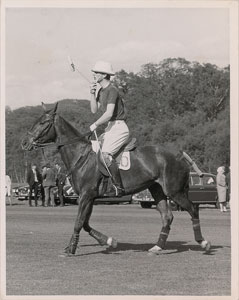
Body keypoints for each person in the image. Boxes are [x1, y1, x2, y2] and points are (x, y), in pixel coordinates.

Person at [89, 61, 129, 196]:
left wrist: (96, 124)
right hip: (110, 127)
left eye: (97, 72)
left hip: (119, 127)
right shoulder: (101, 91)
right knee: (94, 151)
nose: (94, 74)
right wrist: (92, 94)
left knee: (105, 155)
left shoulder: (112, 90)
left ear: (105, 74)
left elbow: (109, 113)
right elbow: (94, 110)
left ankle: (118, 187)